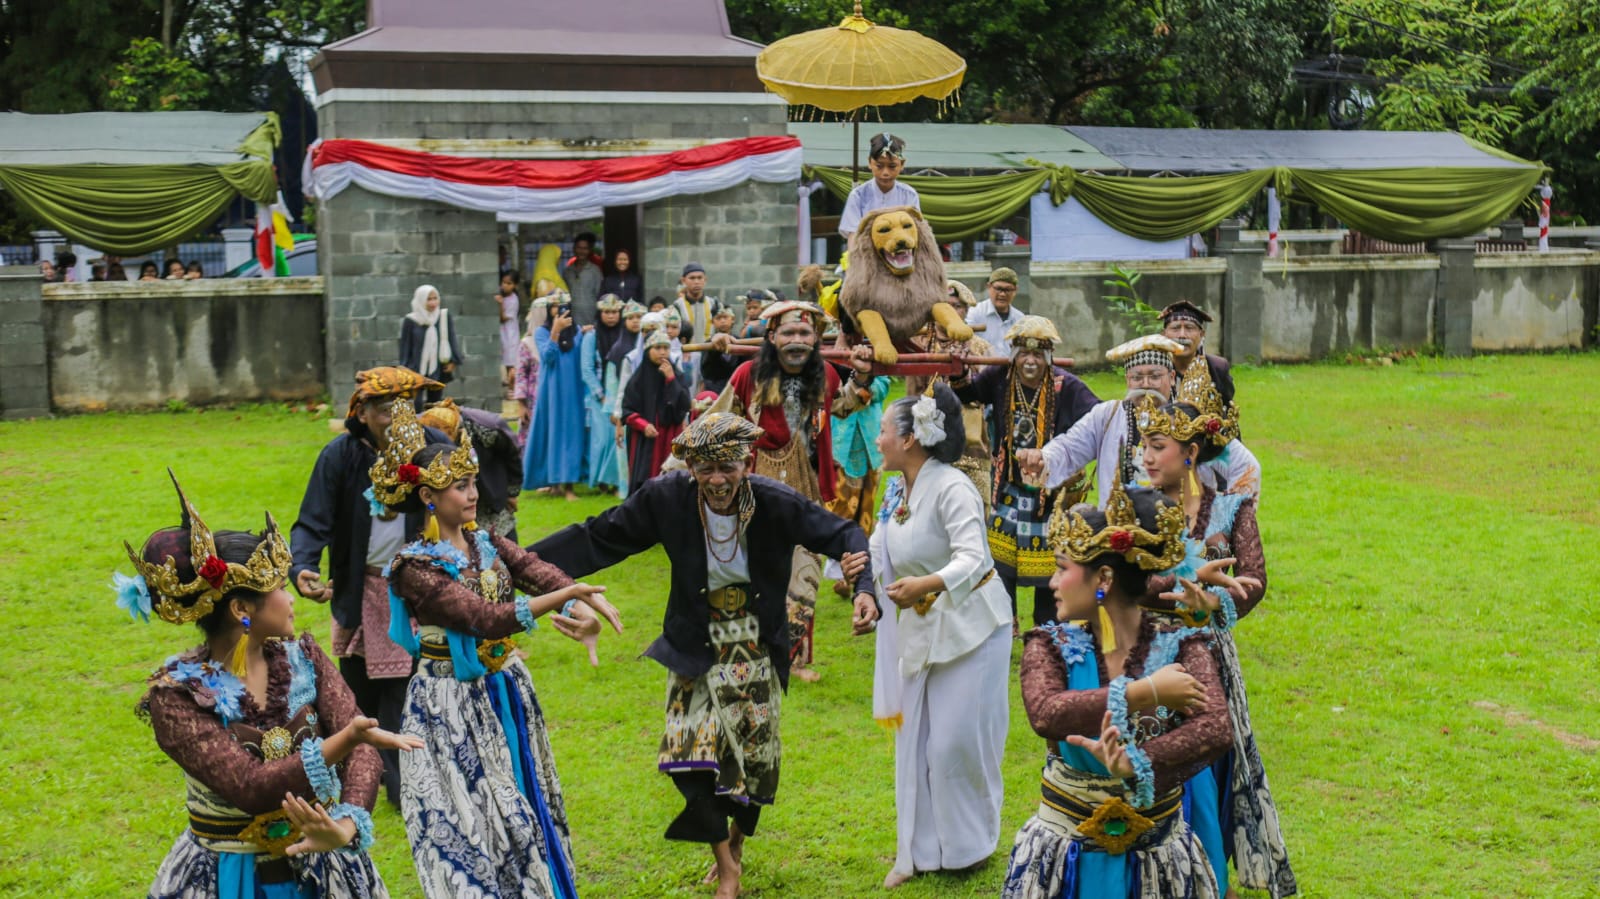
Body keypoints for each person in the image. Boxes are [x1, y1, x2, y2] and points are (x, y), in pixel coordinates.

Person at [530, 413, 881, 899]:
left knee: (753, 765)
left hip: (755, 644)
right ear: (690, 467)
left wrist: (864, 587)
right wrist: (517, 561)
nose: (717, 480)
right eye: (705, 468)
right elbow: (597, 536)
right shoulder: (666, 498)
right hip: (694, 642)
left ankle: (736, 840)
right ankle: (726, 866)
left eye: (727, 467)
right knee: (688, 758)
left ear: (747, 463)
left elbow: (844, 535)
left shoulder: (776, 502)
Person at [123, 472, 421, 897]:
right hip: (230, 876)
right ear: (241, 609)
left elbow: (365, 750)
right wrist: (345, 740)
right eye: (280, 588)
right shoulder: (175, 697)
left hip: (325, 864)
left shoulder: (305, 657)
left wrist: (346, 824)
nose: (291, 598)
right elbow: (251, 787)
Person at [371, 401, 621, 899]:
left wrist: (578, 602)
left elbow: (535, 570)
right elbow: (481, 617)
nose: (473, 493)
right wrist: (566, 596)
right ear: (428, 496)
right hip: (449, 704)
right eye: (460, 486)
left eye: (472, 482)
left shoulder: (485, 542)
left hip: (505, 689)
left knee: (525, 799)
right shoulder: (414, 567)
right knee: (477, 818)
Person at [1002, 483, 1233, 898]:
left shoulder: (1182, 645)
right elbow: (1046, 712)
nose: (1052, 582)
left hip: (1157, 865)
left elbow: (1216, 727)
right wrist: (1143, 693)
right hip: (1067, 861)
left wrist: (1138, 761)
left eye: (1062, 568)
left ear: (1104, 577)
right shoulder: (1049, 644)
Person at [844, 384, 1013, 888]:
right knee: (915, 740)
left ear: (909, 439)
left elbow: (974, 558)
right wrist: (865, 590)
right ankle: (915, 852)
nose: (877, 440)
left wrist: (927, 583)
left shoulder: (953, 487)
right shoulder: (897, 489)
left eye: (882, 431)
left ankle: (970, 846)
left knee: (956, 742)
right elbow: (879, 549)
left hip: (974, 627)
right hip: (922, 629)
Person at [1137, 398, 1297, 899]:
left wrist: (1213, 605)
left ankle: (1209, 877)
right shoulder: (1133, 508)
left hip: (1208, 659)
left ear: (1190, 452)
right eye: (1143, 446)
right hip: (1145, 658)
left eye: (1157, 446)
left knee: (1208, 771)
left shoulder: (1231, 507)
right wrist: (1181, 583)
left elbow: (1254, 580)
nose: (1145, 457)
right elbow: (1117, 582)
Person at [291, 366, 449, 807]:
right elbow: (313, 521)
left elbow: (464, 506)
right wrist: (303, 566)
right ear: (361, 413)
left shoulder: (433, 449)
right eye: (385, 410)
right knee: (356, 693)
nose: (397, 419)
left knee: (404, 688)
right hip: (359, 592)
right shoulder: (340, 457)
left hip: (418, 590)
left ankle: (403, 784)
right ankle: (361, 776)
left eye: (406, 408)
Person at [705, 300, 870, 683]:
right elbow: (715, 420)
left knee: (805, 577)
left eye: (805, 333)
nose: (797, 340)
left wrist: (861, 376)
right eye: (789, 332)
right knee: (755, 577)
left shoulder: (825, 374)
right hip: (755, 491)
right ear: (772, 336)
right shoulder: (747, 375)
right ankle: (744, 656)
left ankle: (793, 662)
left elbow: (842, 405)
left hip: (808, 492)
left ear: (815, 339)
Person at [953, 316, 1101, 629]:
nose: (1030, 361)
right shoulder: (1000, 378)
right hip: (1009, 490)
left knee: (1050, 571)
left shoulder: (1066, 386)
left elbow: (1097, 418)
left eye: (1037, 354)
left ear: (1048, 357)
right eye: (1023, 354)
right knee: (1000, 569)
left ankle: (1048, 632)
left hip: (1051, 497)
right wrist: (958, 371)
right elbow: (968, 393)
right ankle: (1003, 629)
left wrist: (1067, 453)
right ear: (1013, 356)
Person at [1018, 335, 1262, 505]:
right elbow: (1069, 448)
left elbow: (1245, 466)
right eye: (1137, 377)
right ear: (1127, 380)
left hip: (1181, 541)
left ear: (1171, 377)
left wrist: (1226, 518)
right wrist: (1043, 458)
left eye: (1155, 376)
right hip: (1118, 538)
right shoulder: (1107, 415)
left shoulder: (1190, 416)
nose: (1146, 384)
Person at [908, 279, 997, 506]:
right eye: (945, 305)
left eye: (957, 306)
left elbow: (987, 392)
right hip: (925, 433)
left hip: (971, 438)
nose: (951, 311)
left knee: (974, 503)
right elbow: (911, 393)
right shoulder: (919, 344)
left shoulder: (979, 347)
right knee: (925, 504)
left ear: (966, 311)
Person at [418, 399, 524, 541]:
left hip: (490, 501)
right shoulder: (419, 434)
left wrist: (511, 492)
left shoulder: (485, 429)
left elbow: (511, 453)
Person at [522, 291, 586, 500]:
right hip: (551, 392)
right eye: (555, 307)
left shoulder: (577, 331)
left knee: (571, 435)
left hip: (573, 391)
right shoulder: (542, 332)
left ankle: (569, 486)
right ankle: (554, 482)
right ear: (549, 309)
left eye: (563, 306)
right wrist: (556, 331)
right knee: (552, 433)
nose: (559, 310)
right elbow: (548, 357)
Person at [621, 330, 692, 493]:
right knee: (647, 477)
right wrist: (643, 425)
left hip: (670, 434)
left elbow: (684, 404)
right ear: (648, 351)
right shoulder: (638, 380)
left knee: (671, 478)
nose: (662, 352)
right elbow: (627, 411)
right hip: (647, 438)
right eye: (657, 348)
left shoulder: (677, 375)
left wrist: (671, 379)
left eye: (666, 348)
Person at [581, 295, 627, 493]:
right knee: (602, 440)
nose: (611, 316)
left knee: (618, 439)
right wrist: (601, 395)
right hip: (599, 395)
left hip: (620, 393)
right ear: (600, 313)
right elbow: (587, 369)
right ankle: (600, 480)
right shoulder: (592, 336)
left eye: (615, 312)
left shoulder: (625, 334)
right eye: (607, 312)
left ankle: (616, 481)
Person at [838, 132, 920, 238]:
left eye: (892, 166)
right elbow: (853, 235)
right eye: (879, 166)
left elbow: (914, 232)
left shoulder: (909, 195)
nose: (885, 173)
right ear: (870, 162)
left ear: (902, 164)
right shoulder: (858, 196)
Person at [398, 285, 465, 411]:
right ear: (421, 300)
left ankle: (431, 424)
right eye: (429, 299)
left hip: (437, 368)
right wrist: (404, 368)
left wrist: (453, 361)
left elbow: (451, 338)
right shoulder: (411, 320)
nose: (433, 303)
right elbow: (405, 346)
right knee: (416, 404)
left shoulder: (443, 317)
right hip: (415, 369)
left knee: (434, 404)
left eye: (435, 298)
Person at [1161, 301, 1238, 410]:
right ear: (1164, 334)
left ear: (1201, 334)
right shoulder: (1155, 368)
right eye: (1175, 328)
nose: (1182, 335)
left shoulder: (1217, 367)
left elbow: (1227, 409)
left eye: (1189, 328)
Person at [512, 293, 551, 448]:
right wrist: (521, 405)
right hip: (533, 398)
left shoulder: (557, 340)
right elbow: (521, 375)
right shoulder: (527, 344)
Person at [966, 268, 1024, 356]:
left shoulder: (1020, 319)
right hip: (981, 363)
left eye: (1008, 290)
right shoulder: (975, 313)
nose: (1002, 294)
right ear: (989, 287)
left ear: (1015, 290)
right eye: (998, 289)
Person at [672, 262, 721, 343]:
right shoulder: (677, 306)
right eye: (692, 278)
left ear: (705, 280)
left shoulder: (713, 304)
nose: (696, 282)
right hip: (686, 349)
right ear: (683, 281)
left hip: (710, 349)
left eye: (700, 278)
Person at [561, 231, 603, 328]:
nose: (581, 251)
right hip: (571, 319)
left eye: (585, 248)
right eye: (579, 248)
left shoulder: (595, 271)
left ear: (590, 250)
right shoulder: (567, 271)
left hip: (590, 318)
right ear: (574, 249)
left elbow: (600, 296)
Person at [496, 269, 522, 391]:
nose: (505, 285)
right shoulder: (501, 295)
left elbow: (503, 318)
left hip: (510, 334)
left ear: (515, 285)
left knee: (511, 363)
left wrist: (500, 304)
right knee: (506, 362)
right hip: (503, 333)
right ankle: (510, 387)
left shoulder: (513, 300)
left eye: (509, 283)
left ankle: (513, 389)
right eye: (503, 282)